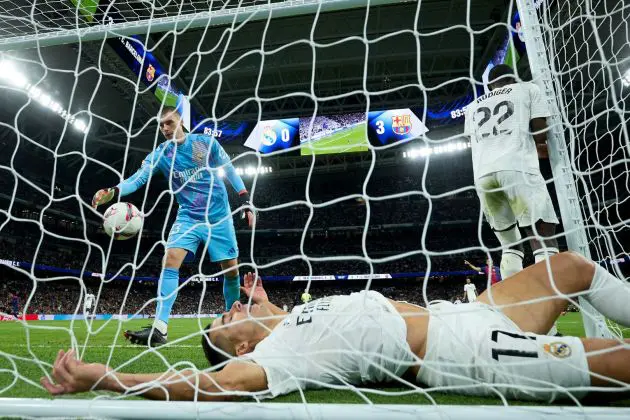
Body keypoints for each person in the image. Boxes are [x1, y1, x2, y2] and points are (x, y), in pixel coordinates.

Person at [42, 252, 630, 402]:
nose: (228, 309)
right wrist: (111, 378)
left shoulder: (291, 316)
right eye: (226, 322)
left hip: (466, 313)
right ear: (244, 345)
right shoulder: (283, 354)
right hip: (465, 351)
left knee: (571, 268)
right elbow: (220, 383)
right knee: (617, 364)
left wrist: (262, 301)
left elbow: (266, 313)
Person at [91, 106, 255, 346]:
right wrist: (114, 191)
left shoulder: (203, 143)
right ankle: (160, 328)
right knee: (170, 259)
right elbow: (138, 178)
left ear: (181, 122)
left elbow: (228, 168)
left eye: (169, 123)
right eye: (161, 125)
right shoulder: (162, 153)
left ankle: (234, 321)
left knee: (230, 271)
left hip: (218, 216)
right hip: (188, 216)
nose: (164, 128)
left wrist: (245, 200)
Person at [464, 64, 560, 280]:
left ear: (490, 85)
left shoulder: (471, 107)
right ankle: (549, 294)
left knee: (510, 246)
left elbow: (473, 141)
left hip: (483, 176)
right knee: (542, 234)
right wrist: (543, 145)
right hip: (517, 166)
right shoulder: (528, 89)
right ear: (514, 78)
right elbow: (540, 133)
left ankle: (515, 305)